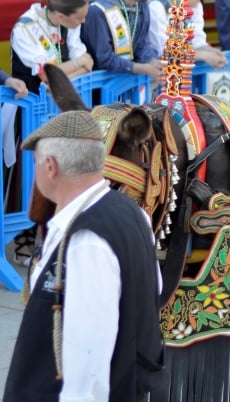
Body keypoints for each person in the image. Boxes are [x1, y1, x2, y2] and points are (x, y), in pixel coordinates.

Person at [4, 110, 164, 402]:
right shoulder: (133, 213)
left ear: (50, 167)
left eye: (37, 163)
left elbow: (87, 369)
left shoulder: (86, 241)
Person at [80, 0, 162, 82]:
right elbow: (104, 59)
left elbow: (142, 45)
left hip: (125, 82)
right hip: (97, 89)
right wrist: (143, 68)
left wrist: (153, 62)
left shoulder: (141, 6)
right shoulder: (98, 10)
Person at [10, 0, 91, 92]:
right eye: (80, 17)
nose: (83, 21)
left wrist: (58, 83)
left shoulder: (70, 23)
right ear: (60, 16)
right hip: (30, 98)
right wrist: (78, 63)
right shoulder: (24, 29)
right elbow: (47, 75)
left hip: (62, 95)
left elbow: (88, 64)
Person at [150, 0, 227, 69]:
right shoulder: (157, 9)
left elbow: (198, 43)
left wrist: (217, 54)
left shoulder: (195, 6)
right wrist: (204, 56)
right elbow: (164, 54)